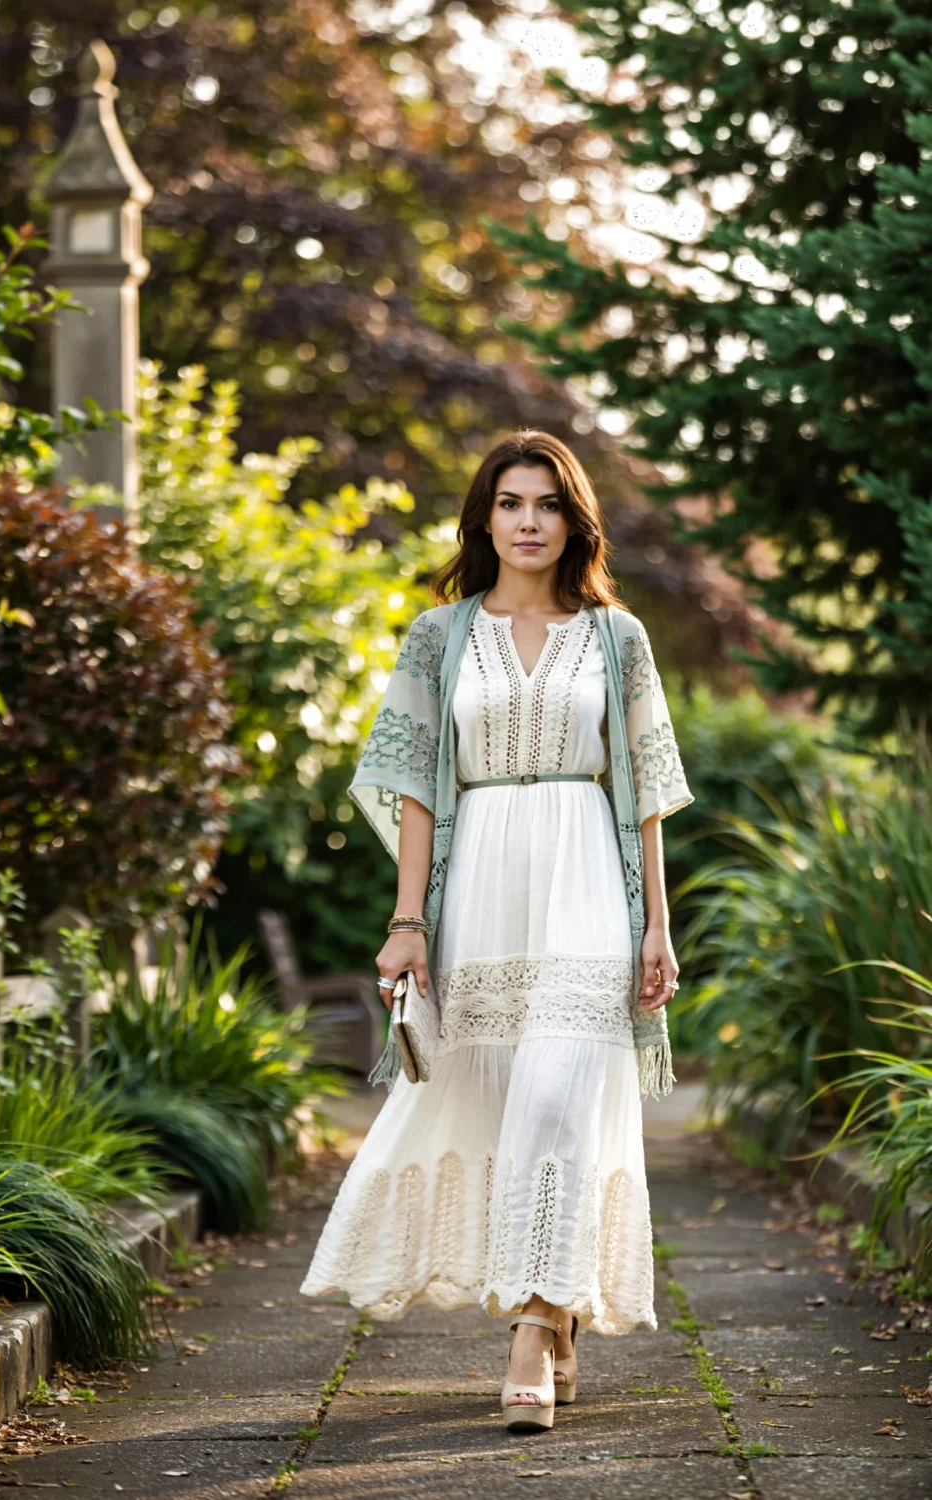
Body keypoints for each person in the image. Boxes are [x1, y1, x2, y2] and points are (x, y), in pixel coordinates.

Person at [300, 430, 693, 1432]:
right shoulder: (438, 635)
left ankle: (528, 1332)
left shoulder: (618, 638)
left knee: (560, 1103)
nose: (528, 521)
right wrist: (404, 924)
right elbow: (415, 789)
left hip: (583, 886)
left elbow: (643, 787)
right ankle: (553, 1309)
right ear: (483, 518)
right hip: (478, 885)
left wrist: (657, 921)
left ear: (574, 521)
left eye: (547, 504)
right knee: (506, 1100)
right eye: (510, 503)